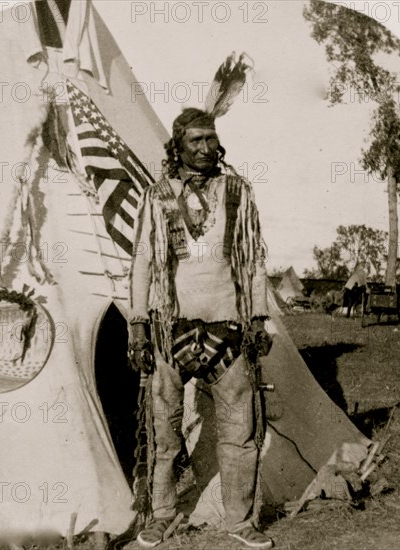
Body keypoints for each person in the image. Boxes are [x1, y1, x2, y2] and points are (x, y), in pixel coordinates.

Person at [128, 107, 274, 549]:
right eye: (196, 141)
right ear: (178, 146)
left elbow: (252, 260)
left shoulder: (238, 192)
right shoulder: (157, 195)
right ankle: (162, 515)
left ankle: (238, 520)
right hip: (169, 329)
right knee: (164, 430)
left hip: (229, 328)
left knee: (238, 432)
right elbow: (144, 262)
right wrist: (137, 323)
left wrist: (258, 318)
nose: (207, 148)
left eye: (212, 139)